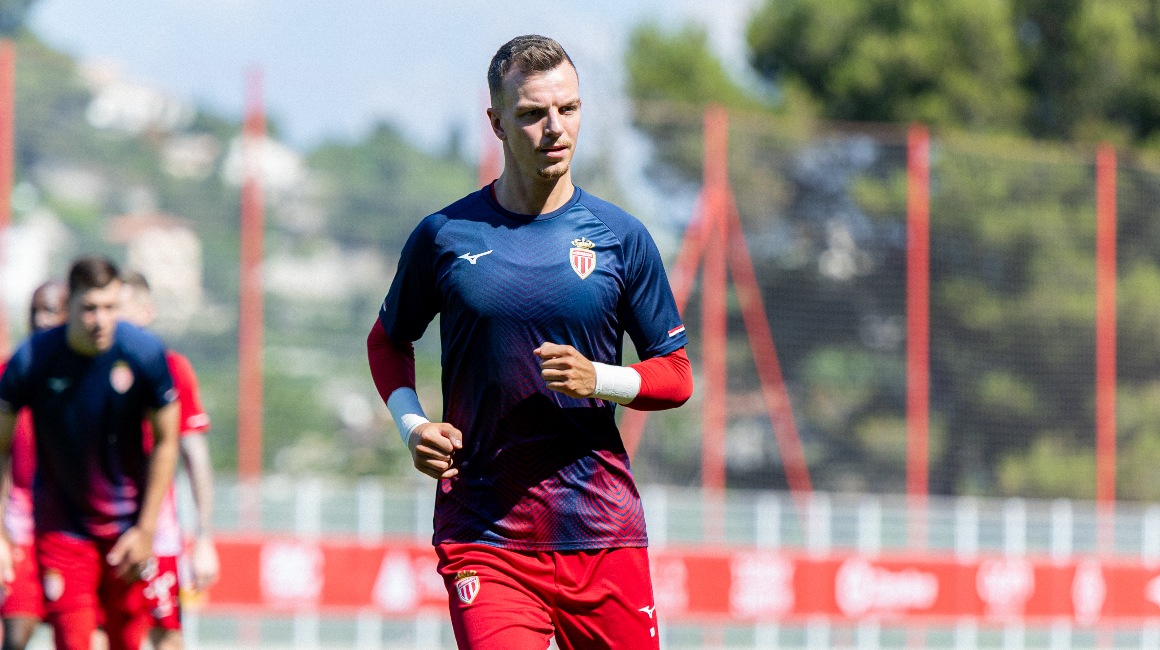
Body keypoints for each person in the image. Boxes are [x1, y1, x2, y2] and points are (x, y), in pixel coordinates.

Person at [368, 35, 693, 650]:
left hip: (600, 530)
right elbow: (387, 342)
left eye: (568, 109)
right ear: (496, 122)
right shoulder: (444, 235)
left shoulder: (622, 237)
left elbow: (676, 375)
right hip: (485, 533)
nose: (555, 128)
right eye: (532, 114)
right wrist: (412, 426)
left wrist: (600, 378)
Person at [0, 256, 180, 650]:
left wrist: (147, 529)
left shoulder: (145, 353)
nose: (101, 320)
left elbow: (167, 440)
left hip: (127, 533)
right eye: (90, 308)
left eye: (110, 307)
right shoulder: (32, 360)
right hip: (62, 532)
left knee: (128, 642)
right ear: (70, 305)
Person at [118, 271, 217, 650]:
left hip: (158, 535)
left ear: (147, 312)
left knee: (167, 635)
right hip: (96, 528)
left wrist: (204, 540)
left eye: (121, 308)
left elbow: (195, 455)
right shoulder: (84, 369)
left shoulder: (172, 368)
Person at [0, 282, 69, 650]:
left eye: (51, 311)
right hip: (22, 526)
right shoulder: (10, 373)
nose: (42, 320)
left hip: (73, 527)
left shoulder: (90, 374)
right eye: (35, 312)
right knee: (16, 635)